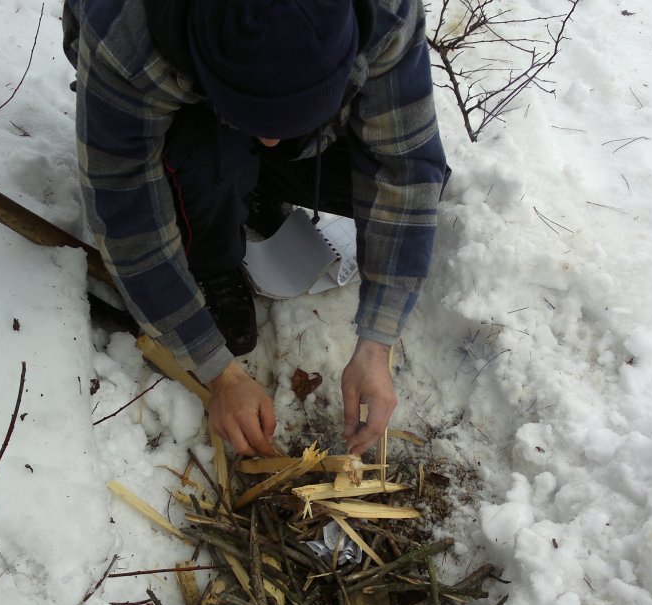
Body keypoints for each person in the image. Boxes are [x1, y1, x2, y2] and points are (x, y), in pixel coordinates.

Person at [62, 0, 448, 456]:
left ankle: (247, 177)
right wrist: (219, 373)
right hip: (190, 100)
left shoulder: (385, 12)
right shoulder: (125, 38)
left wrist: (377, 343)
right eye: (259, 127)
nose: (270, 140)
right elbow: (127, 214)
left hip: (286, 91)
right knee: (210, 153)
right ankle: (209, 229)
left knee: (399, 175)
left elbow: (406, 172)